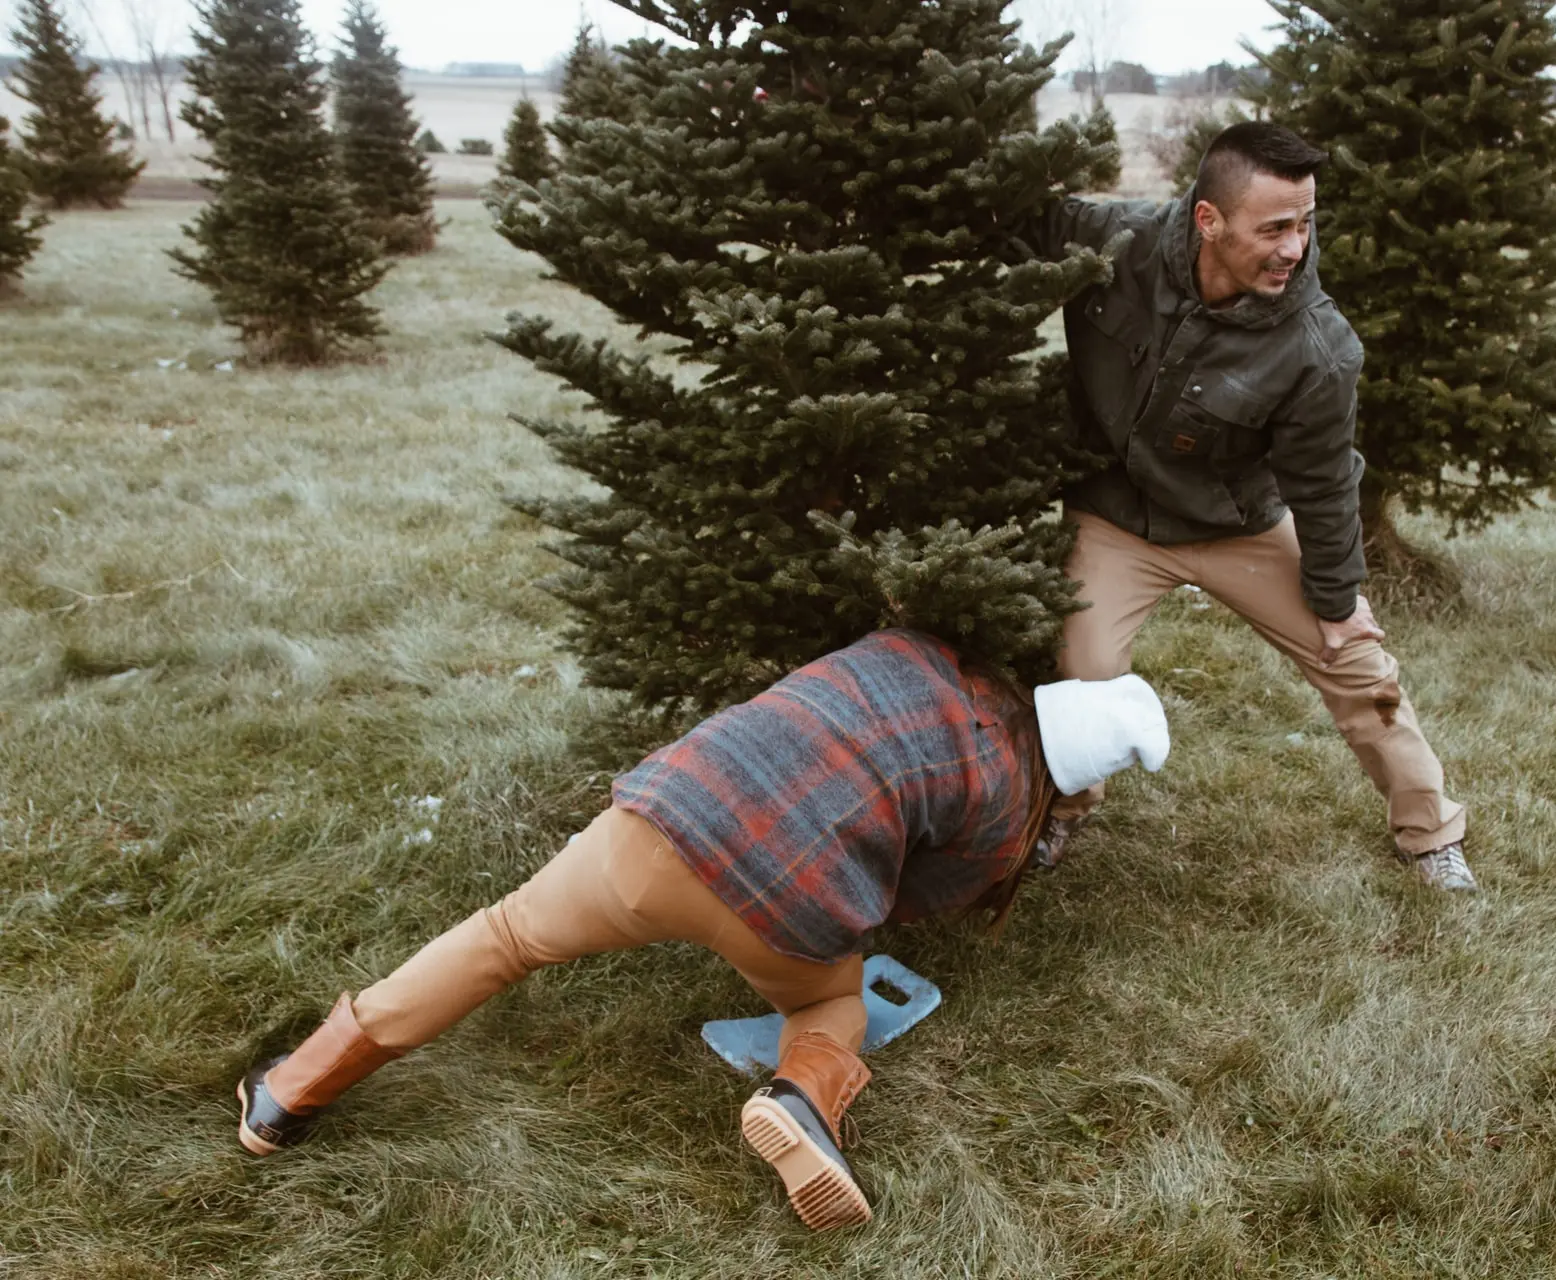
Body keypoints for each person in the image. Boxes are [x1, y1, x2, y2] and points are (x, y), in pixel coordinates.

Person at [232, 629, 1169, 1231]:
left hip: (660, 818)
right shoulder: (1009, 807)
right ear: (1071, 775)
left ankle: (290, 1091)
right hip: (785, 911)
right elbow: (912, 905)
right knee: (834, 1003)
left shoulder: (913, 648)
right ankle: (802, 1098)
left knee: (505, 935)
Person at [1021, 121, 1474, 891]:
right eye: (1274, 228)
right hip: (1117, 518)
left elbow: (1326, 482)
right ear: (1208, 220)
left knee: (1359, 666)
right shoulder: (1120, 242)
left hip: (1238, 524)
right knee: (1083, 667)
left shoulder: (1316, 345)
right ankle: (1065, 810)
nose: (1295, 248)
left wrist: (1335, 601)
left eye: (1306, 224)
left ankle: (1431, 834)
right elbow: (1019, 216)